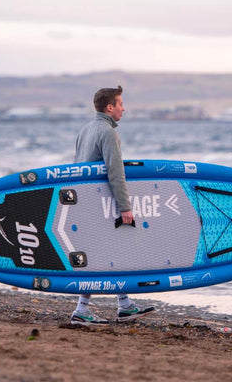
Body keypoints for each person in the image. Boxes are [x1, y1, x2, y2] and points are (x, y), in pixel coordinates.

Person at [70, 85, 155, 326]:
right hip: (99, 204)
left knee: (113, 252)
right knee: (105, 253)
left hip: (83, 201)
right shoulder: (108, 133)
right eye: (120, 104)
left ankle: (124, 304)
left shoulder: (86, 130)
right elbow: (116, 174)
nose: (123, 108)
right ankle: (82, 309)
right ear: (110, 107)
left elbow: (76, 166)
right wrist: (125, 207)